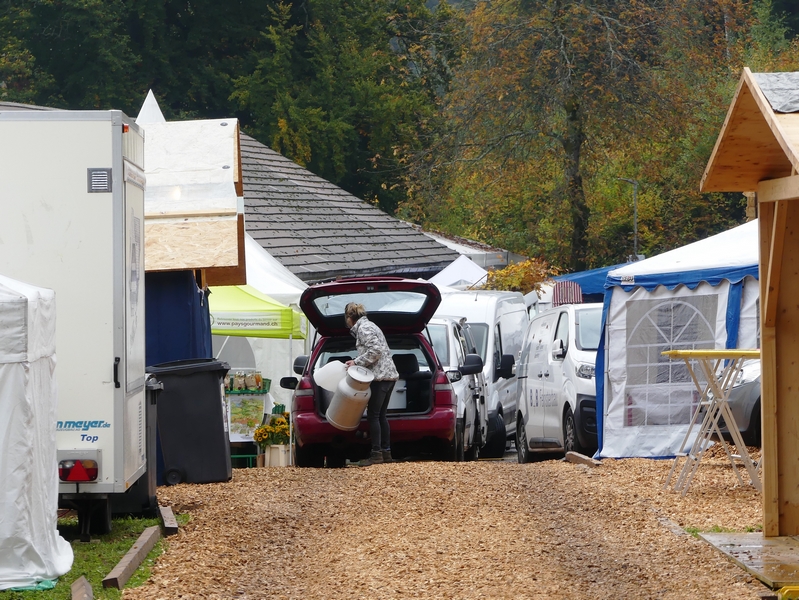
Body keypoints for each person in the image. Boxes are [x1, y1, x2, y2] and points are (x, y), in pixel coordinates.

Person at [344, 302, 399, 465]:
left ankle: (376, 454)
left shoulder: (364, 328)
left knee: (374, 416)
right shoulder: (371, 325)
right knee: (381, 415)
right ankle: (386, 452)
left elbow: (375, 351)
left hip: (379, 377)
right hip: (388, 376)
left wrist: (356, 362)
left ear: (350, 317)